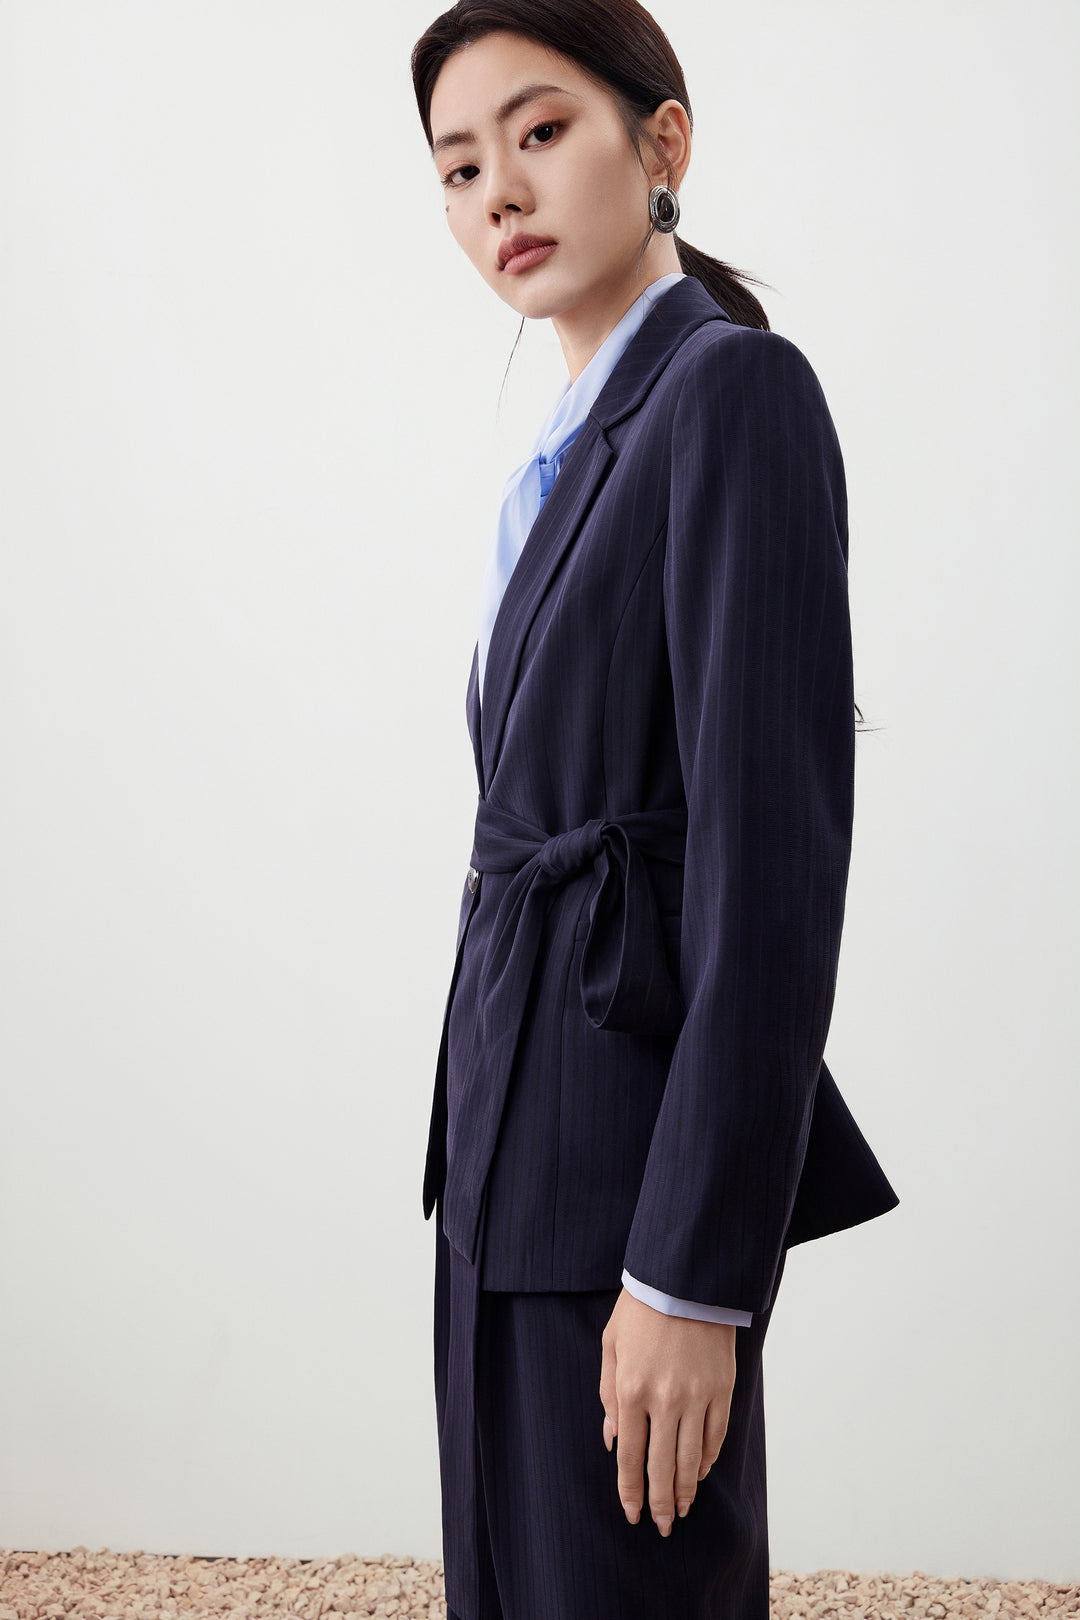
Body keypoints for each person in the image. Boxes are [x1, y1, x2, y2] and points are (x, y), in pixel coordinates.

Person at [410, 3, 901, 1616]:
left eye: (541, 132)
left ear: (662, 141)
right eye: (460, 166)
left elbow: (772, 877)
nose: (499, 191)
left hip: (628, 1192)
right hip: (497, 1169)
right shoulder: (557, 458)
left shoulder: (732, 394)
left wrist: (693, 1273)